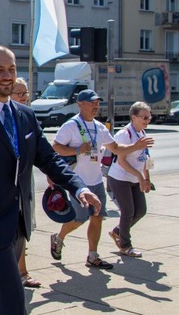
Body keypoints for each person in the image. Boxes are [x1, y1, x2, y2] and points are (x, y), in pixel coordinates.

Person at [0, 45, 101, 315]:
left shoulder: (25, 115)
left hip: (19, 224)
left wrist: (79, 188)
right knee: (13, 301)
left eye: (11, 69)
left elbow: (49, 159)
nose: (7, 75)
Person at [50, 90, 152, 269]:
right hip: (77, 182)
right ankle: (59, 237)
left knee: (97, 217)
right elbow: (56, 148)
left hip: (96, 181)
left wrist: (135, 147)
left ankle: (92, 256)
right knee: (79, 219)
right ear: (80, 104)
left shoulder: (99, 127)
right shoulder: (71, 126)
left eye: (97, 103)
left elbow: (116, 148)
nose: (95, 106)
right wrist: (77, 150)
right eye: (91, 103)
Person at [107, 101, 154, 257]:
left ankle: (118, 232)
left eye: (149, 117)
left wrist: (147, 178)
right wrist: (140, 176)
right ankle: (125, 245)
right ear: (134, 117)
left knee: (140, 211)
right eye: (144, 117)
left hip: (135, 179)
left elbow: (145, 158)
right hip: (120, 178)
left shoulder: (142, 133)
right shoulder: (124, 134)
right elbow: (121, 160)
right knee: (128, 211)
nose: (148, 120)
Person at [8, 78, 41, 289]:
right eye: (19, 93)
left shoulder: (28, 116)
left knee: (23, 229)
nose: (24, 97)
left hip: (24, 184)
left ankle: (21, 271)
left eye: (25, 93)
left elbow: (43, 153)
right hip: (1, 196)